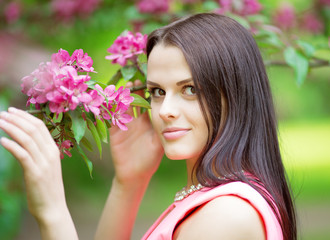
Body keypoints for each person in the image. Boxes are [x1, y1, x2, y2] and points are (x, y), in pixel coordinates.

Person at [0, 13, 297, 240]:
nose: (165, 111)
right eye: (157, 91)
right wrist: (128, 183)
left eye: (190, 89)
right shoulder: (212, 197)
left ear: (235, 93)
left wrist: (52, 214)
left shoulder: (230, 213)